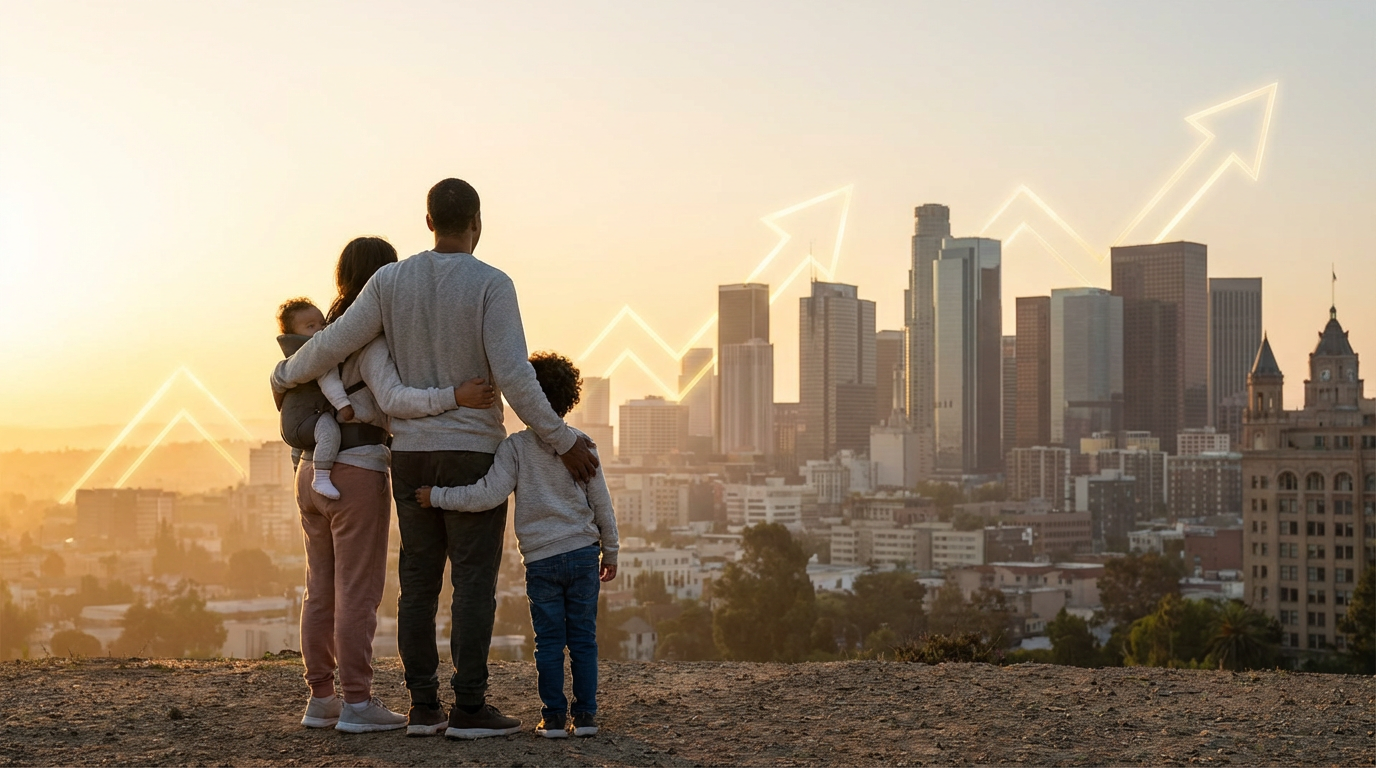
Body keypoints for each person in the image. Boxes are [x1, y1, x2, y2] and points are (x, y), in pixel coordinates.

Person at [270, 179, 599, 740]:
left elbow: (332, 342)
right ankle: (469, 707)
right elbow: (515, 376)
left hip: (411, 456)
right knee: (472, 584)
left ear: (427, 222)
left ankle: (423, 707)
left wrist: (284, 374)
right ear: (477, 223)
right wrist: (561, 439)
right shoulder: (492, 283)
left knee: (417, 585)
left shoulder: (389, 281)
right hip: (472, 450)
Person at [288, 236, 497, 734]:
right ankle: (358, 702)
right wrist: (455, 396)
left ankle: (322, 698)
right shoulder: (369, 340)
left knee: (319, 590)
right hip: (356, 471)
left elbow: (292, 385)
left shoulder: (321, 337)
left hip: (309, 472)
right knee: (357, 593)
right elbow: (395, 399)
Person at [416, 352, 618, 739]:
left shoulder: (515, 448)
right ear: (569, 398)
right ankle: (586, 717)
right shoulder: (582, 445)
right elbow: (602, 505)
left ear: (525, 398)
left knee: (548, 643)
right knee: (583, 640)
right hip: (582, 554)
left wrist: (437, 496)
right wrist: (610, 551)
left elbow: (486, 495)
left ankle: (553, 719)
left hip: (541, 561)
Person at [275, 298, 354, 500]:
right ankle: (321, 476)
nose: (320, 330)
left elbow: (278, 388)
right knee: (329, 431)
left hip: (290, 425)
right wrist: (343, 405)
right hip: (312, 420)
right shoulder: (317, 359)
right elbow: (330, 383)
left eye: (322, 324)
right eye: (310, 326)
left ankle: (297, 471)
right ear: (292, 334)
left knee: (298, 449)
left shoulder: (288, 363)